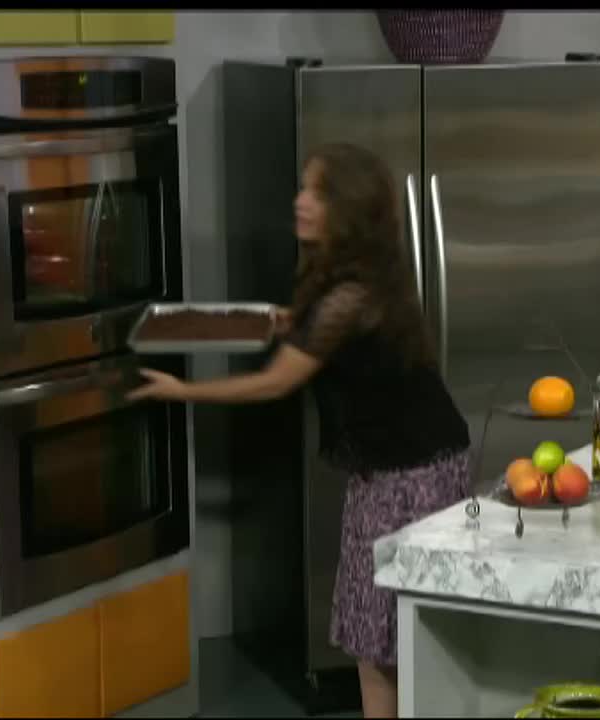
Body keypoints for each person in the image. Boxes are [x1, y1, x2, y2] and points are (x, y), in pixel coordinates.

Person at [128, 143, 471, 718]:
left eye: (316, 192)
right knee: (386, 640)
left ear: (347, 210)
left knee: (379, 644)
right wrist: (277, 322)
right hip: (415, 466)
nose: (300, 201)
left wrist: (181, 391)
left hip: (407, 480)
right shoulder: (361, 286)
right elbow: (321, 335)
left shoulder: (346, 300)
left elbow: (273, 384)